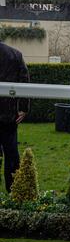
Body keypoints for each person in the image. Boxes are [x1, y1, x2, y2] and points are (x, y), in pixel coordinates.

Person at [0, 41, 29, 192]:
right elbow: (24, 81)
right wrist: (23, 108)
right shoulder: (15, 55)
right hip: (8, 114)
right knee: (11, 155)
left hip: (8, 114)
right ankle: (13, 191)